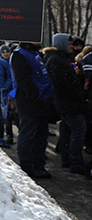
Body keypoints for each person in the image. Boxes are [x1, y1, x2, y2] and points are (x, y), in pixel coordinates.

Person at [10, 42, 57, 179]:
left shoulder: (36, 52)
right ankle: (27, 167)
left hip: (42, 101)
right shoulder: (20, 54)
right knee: (28, 135)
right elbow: (22, 79)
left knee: (41, 136)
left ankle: (39, 165)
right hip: (29, 102)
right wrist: (34, 93)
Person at [44, 33, 88, 176]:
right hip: (69, 103)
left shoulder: (58, 58)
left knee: (68, 130)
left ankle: (67, 158)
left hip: (66, 102)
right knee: (78, 130)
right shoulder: (56, 60)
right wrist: (77, 95)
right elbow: (62, 84)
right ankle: (75, 161)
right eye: (69, 44)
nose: (72, 46)